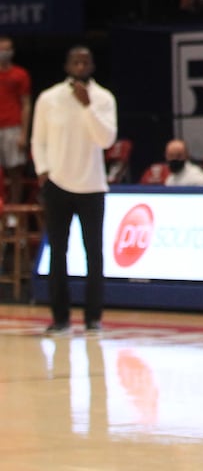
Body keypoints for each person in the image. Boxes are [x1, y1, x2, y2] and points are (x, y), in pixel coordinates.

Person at [29, 45, 118, 335]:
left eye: (85, 62)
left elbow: (105, 139)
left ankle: (93, 318)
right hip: (57, 186)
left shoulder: (103, 98)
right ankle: (60, 319)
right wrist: (43, 171)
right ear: (67, 65)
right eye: (75, 62)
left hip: (92, 186)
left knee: (94, 254)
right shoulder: (49, 98)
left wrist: (87, 106)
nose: (80, 66)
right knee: (58, 254)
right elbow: (37, 139)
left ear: (92, 66)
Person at [0, 35, 33, 206]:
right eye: (1, 49)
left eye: (7, 49)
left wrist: (23, 134)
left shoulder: (20, 74)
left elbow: (26, 104)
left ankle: (14, 214)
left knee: (15, 173)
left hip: (13, 128)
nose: (4, 53)